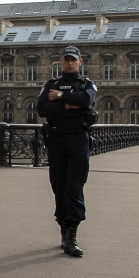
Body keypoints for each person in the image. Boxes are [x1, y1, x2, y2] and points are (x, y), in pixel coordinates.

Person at [36, 46, 97, 257]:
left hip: (79, 139)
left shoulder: (86, 84)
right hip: (56, 139)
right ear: (60, 62)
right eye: (66, 59)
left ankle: (71, 235)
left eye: (74, 59)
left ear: (80, 62)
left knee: (75, 186)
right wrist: (71, 104)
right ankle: (63, 227)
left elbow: (87, 103)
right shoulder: (49, 85)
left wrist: (61, 97)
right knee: (58, 186)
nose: (70, 63)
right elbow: (43, 109)